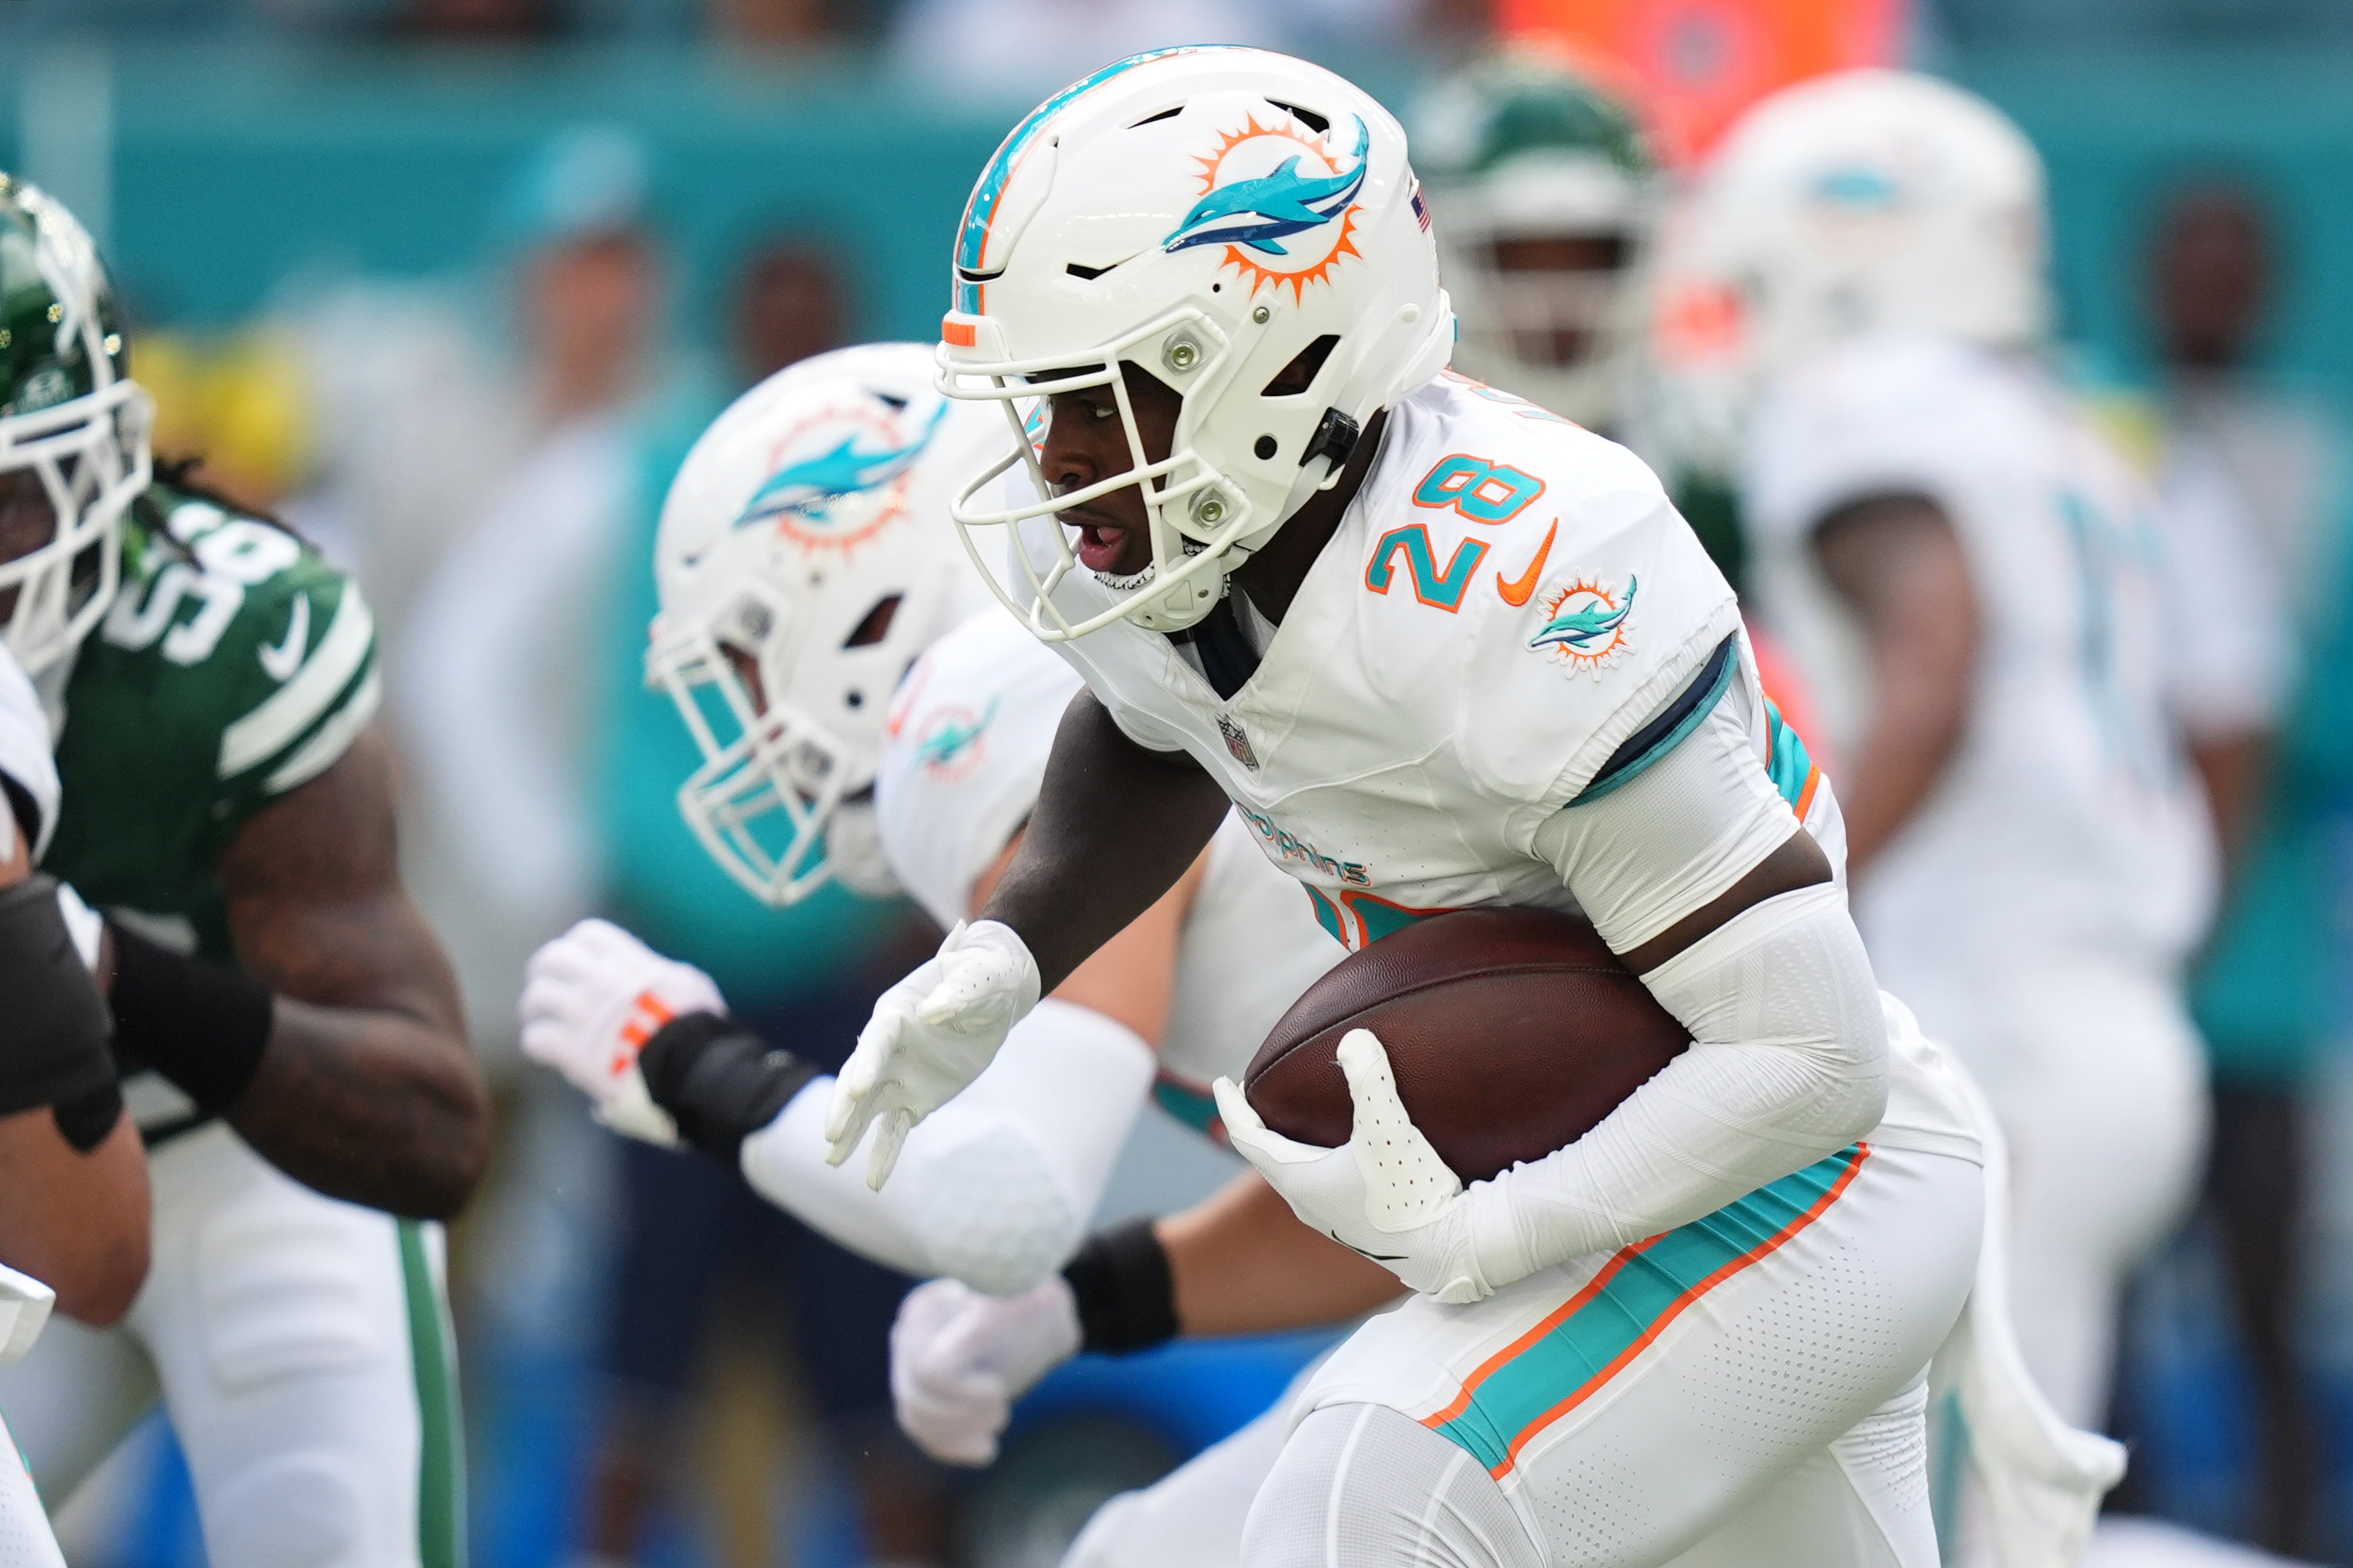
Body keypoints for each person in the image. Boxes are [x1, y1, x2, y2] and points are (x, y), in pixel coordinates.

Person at [824, 47, 1991, 1568]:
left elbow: (1812, 1055)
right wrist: (1009, 954)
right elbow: (1155, 724)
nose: (1055, 463)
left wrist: (1494, 1231)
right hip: (1637, 1169)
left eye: (1101, 403)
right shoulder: (1189, 533)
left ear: (1274, 364)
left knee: (1366, 1502)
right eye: (1043, 407)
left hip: (1803, 1175)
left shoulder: (1540, 578)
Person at [0, 173, 488, 1568]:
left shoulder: (221, 649)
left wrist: (85, 963)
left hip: (249, 1163)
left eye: (0, 501)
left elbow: (431, 1122)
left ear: (100, 471)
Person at [1409, 42, 1661, 436]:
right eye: (1518, 259)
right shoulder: (1374, 445)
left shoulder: (1711, 463)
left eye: (1591, 258)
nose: (1557, 306)